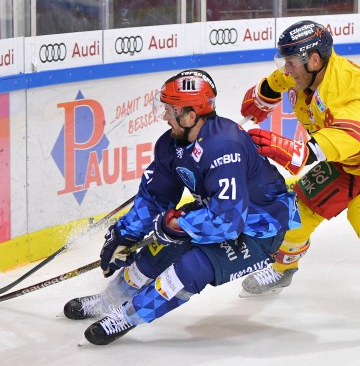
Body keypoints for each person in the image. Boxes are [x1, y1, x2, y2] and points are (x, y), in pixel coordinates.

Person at [62, 69, 300, 345]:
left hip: (260, 228)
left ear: (190, 115)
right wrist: (125, 234)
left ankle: (126, 317)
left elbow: (228, 221)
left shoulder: (225, 147)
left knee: (191, 268)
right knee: (156, 251)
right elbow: (155, 195)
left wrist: (175, 226)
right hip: (217, 212)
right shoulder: (171, 143)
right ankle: (109, 300)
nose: (164, 115)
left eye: (170, 109)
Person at [238, 20, 360, 342]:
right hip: (350, 160)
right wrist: (264, 94)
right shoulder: (300, 73)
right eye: (284, 61)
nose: (285, 69)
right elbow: (276, 82)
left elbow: (351, 135)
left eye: (290, 62)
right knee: (293, 211)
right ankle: (284, 269)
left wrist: (300, 151)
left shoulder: (344, 85)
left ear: (314, 60)